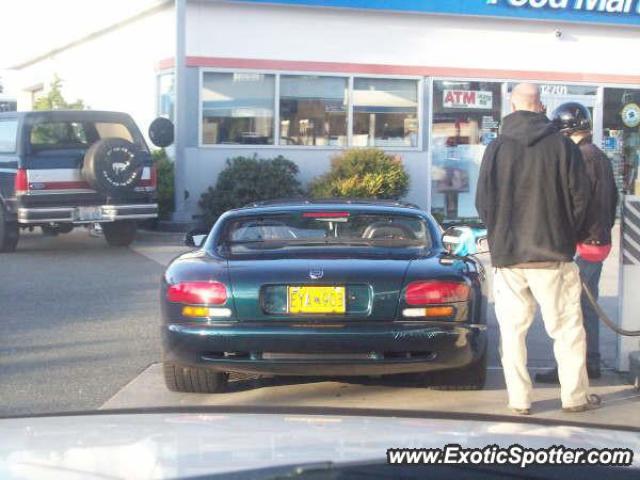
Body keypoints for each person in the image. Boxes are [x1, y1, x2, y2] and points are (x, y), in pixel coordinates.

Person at [476, 83, 598, 415]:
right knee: (567, 330)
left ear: (512, 108)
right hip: (553, 256)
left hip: (509, 257)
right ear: (541, 106)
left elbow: (483, 203)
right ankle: (574, 397)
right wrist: (565, 235)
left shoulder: (497, 148)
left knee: (513, 333)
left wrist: (500, 234)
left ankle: (519, 400)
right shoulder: (563, 147)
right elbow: (581, 200)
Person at [536, 102, 618, 384]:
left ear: (566, 130)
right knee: (586, 306)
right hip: (599, 240)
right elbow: (613, 200)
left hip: (584, 243)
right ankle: (590, 363)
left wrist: (563, 237)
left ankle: (572, 369)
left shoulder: (580, 158)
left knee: (570, 309)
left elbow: (577, 203)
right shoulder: (600, 157)